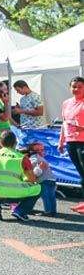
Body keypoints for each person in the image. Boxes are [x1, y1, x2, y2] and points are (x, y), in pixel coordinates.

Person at [0, 131, 40, 222]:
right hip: (14, 194)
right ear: (15, 143)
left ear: (0, 142)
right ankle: (20, 211)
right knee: (38, 188)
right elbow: (31, 179)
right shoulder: (21, 158)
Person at [57, 76, 84, 209]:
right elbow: (64, 123)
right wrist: (61, 141)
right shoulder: (66, 103)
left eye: (79, 87)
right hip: (70, 141)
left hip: (83, 141)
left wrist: (81, 128)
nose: (76, 89)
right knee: (81, 173)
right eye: (74, 86)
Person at [27, 141, 58, 217]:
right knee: (51, 196)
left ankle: (48, 211)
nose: (40, 152)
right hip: (52, 179)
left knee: (45, 196)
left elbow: (35, 172)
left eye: (42, 150)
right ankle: (53, 211)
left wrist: (34, 174)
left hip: (44, 180)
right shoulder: (42, 159)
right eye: (38, 150)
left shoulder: (33, 158)